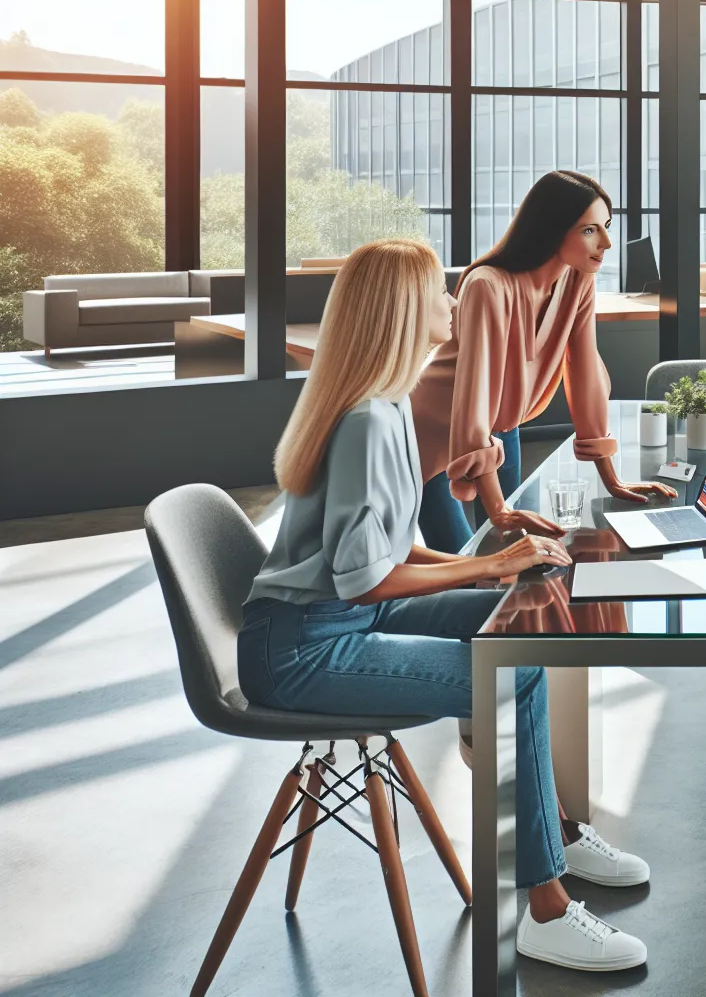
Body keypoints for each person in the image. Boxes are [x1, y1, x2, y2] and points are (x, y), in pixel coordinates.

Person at [237, 239, 655, 972]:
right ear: (403, 310)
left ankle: (552, 834)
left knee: (522, 625)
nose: (454, 303)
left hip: (336, 620)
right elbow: (364, 579)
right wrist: (487, 564)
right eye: (440, 292)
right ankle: (545, 907)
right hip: (304, 649)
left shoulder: (387, 403)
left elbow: (392, 550)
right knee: (510, 676)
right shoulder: (368, 421)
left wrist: (488, 572)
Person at [413, 170, 675, 555]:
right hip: (432, 431)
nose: (606, 243)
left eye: (606, 227)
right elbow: (473, 397)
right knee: (462, 564)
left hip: (500, 427)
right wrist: (499, 511)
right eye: (589, 230)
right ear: (552, 229)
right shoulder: (488, 285)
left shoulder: (578, 280)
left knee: (519, 555)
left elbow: (584, 373)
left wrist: (612, 480)